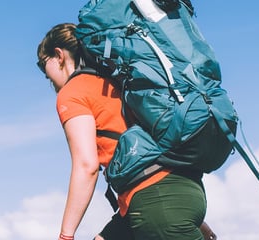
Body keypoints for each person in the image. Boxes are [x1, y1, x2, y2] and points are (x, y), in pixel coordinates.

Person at [37, 23, 218, 240]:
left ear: (58, 55)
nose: (46, 77)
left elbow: (87, 166)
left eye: (42, 64)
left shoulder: (71, 93)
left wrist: (66, 235)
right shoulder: (114, 81)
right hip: (180, 191)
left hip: (156, 200)